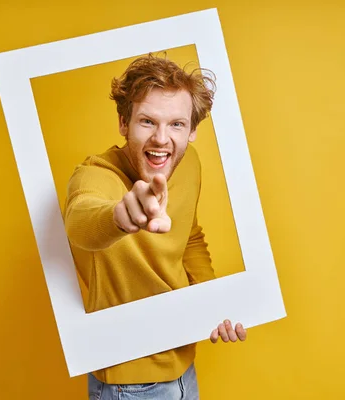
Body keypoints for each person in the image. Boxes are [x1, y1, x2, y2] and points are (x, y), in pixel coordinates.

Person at [63, 53, 247, 399]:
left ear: (192, 130)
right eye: (147, 121)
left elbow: (189, 236)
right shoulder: (95, 176)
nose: (162, 139)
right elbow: (81, 220)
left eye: (176, 124)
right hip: (128, 382)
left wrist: (213, 302)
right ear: (123, 123)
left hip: (182, 362)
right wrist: (122, 217)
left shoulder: (188, 162)